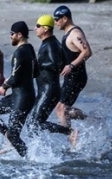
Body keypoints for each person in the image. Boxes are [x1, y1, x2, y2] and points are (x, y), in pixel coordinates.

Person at [0, 21, 37, 157]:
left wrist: (5, 86)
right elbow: (35, 72)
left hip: (22, 98)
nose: (10, 37)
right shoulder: (30, 48)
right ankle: (9, 138)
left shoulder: (19, 52)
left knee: (13, 134)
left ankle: (30, 159)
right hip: (21, 96)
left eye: (12, 34)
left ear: (19, 34)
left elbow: (15, 75)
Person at [27, 15, 78, 148]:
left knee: (35, 123)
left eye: (37, 26)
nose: (35, 29)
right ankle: (38, 151)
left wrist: (36, 65)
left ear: (45, 29)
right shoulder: (52, 43)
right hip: (47, 89)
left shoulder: (51, 45)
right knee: (34, 123)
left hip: (49, 90)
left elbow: (55, 65)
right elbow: (63, 62)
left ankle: (69, 131)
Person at [53, 5, 92, 128]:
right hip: (71, 77)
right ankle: (89, 119)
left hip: (77, 77)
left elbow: (87, 52)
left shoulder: (75, 33)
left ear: (65, 18)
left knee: (61, 109)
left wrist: (71, 65)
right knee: (61, 108)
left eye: (57, 19)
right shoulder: (68, 34)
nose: (55, 22)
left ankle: (71, 137)